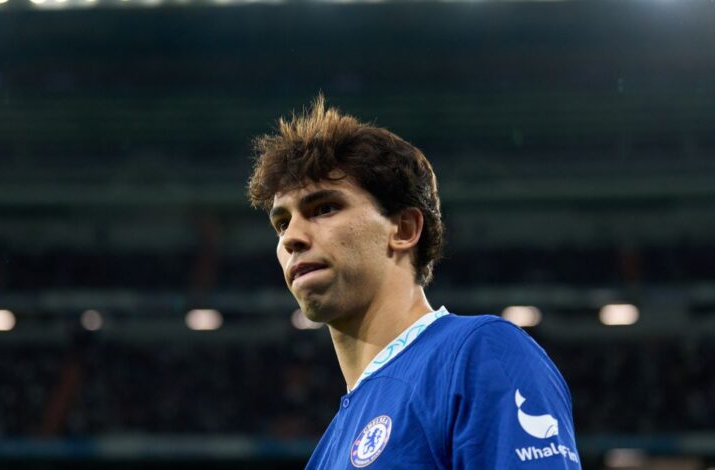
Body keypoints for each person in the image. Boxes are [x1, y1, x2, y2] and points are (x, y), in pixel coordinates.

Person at [247, 96, 580, 469]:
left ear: (404, 229)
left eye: (324, 208)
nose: (291, 237)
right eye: (281, 223)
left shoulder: (478, 354)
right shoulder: (326, 453)